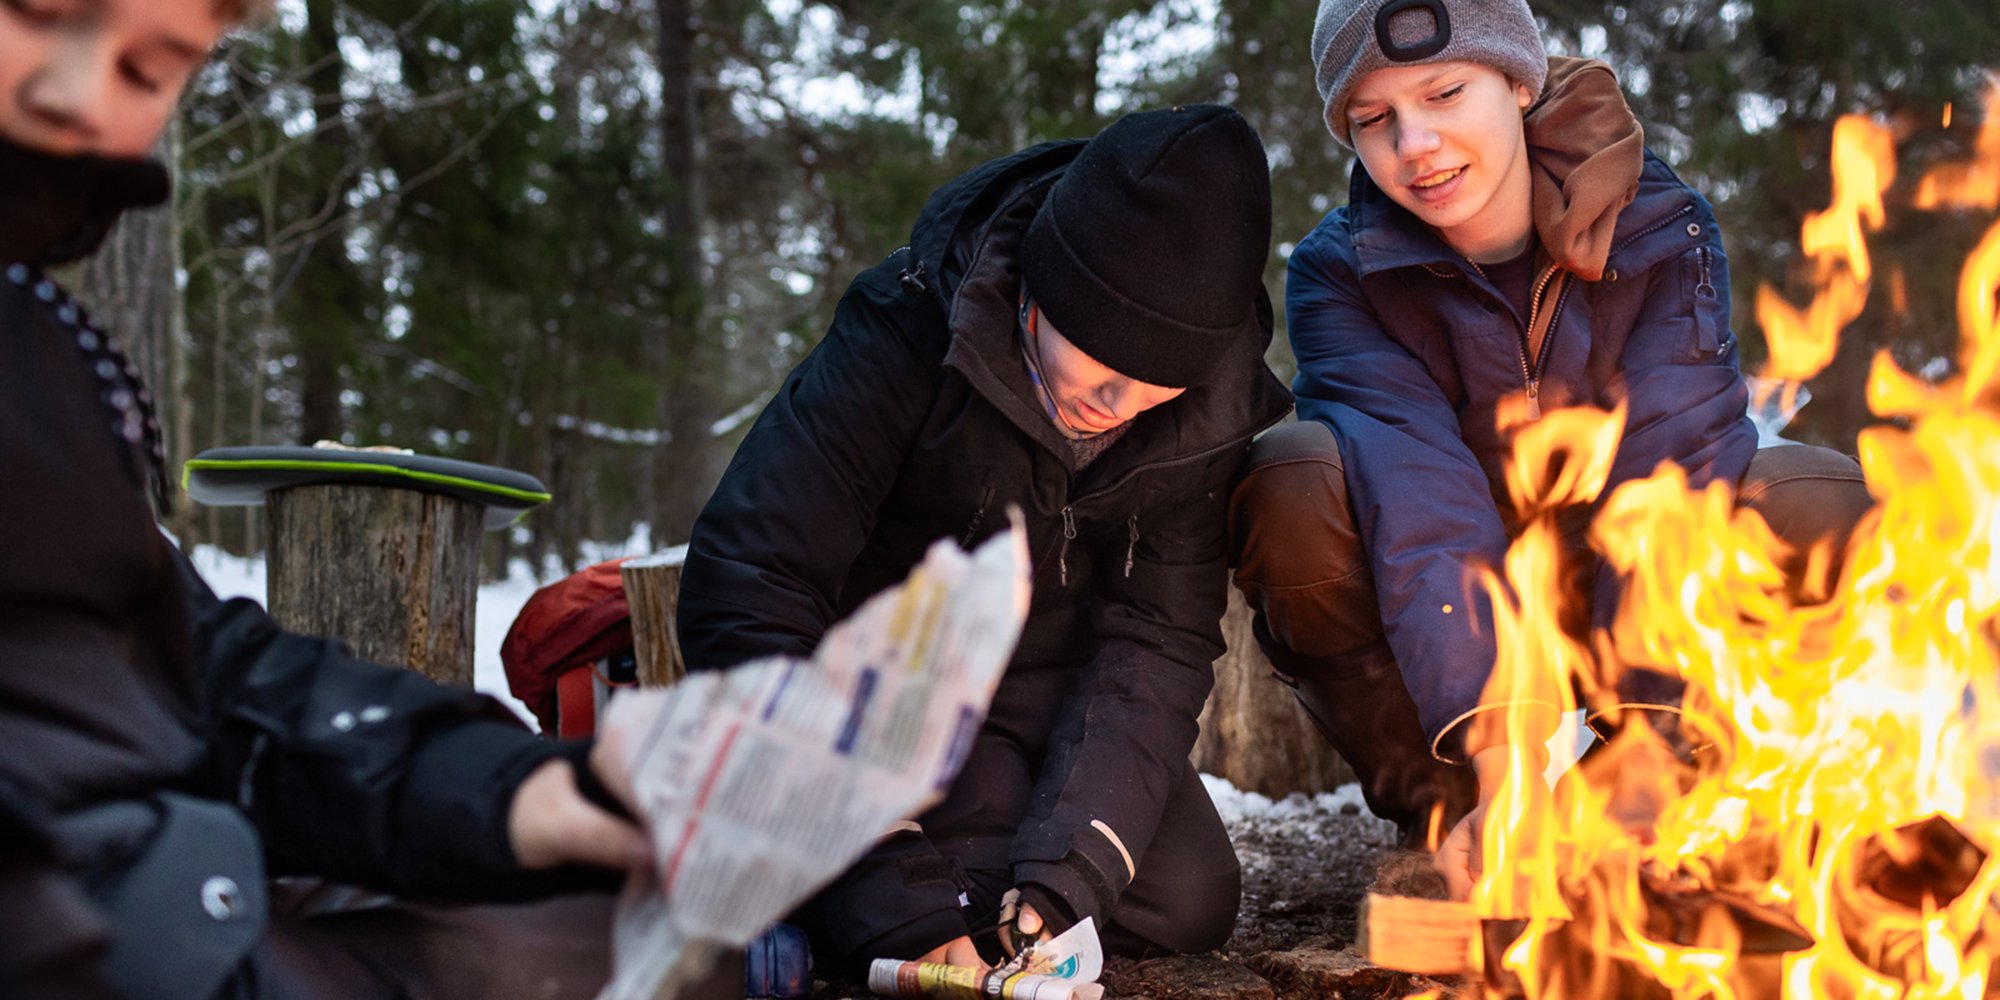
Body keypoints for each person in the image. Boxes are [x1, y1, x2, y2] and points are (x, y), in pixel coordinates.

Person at [0, 2, 652, 996]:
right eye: (37, 14)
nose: (73, 96)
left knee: (621, 921)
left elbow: (186, 663)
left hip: (165, 872)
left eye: (149, 67)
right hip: (106, 923)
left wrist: (513, 792)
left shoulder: (29, 332)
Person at [1229, 0, 1876, 898]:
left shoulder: (1660, 225)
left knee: (1811, 496)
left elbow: (1676, 475)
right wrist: (1501, 762)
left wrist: (1644, 758)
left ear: (1519, 82)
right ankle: (1457, 813)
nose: (1415, 143)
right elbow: (1418, 498)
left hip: (1617, 587)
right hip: (1450, 621)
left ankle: (1648, 795)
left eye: (1445, 92)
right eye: (1374, 122)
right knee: (1293, 480)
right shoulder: (1343, 270)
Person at [677, 105, 1293, 970]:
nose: (1113, 408)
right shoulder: (905, 329)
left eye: (1154, 384)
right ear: (1038, 291)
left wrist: (1061, 883)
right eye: (1098, 363)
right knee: (909, 891)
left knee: (1183, 895)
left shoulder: (1206, 420)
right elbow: (750, 585)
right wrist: (893, 891)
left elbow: (1156, 643)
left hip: (1034, 702)